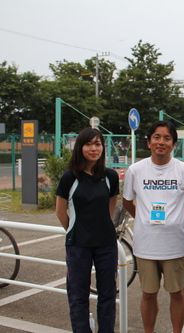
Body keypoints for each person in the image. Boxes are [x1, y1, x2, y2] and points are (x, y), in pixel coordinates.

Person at [122, 120, 184, 333]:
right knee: (148, 293)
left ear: (174, 144)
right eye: (156, 137)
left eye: (167, 138)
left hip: (174, 244)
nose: (161, 142)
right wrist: (142, 219)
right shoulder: (135, 170)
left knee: (177, 292)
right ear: (148, 142)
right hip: (146, 245)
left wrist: (179, 221)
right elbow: (127, 201)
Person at [55, 127, 119, 332]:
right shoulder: (69, 177)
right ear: (80, 147)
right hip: (78, 245)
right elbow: (60, 211)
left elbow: (109, 209)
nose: (94, 148)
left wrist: (98, 227)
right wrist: (76, 229)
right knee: (77, 295)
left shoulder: (110, 176)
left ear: (103, 147)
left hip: (106, 244)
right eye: (88, 144)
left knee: (108, 295)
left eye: (98, 144)